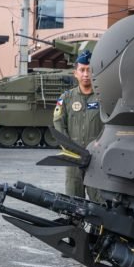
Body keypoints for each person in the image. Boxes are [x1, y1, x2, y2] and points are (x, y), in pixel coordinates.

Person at [53, 50, 104, 201]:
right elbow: (58, 123)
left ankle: (99, 226)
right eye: (82, 70)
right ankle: (75, 226)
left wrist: (100, 146)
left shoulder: (103, 97)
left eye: (89, 70)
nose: (86, 74)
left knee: (99, 202)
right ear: (75, 73)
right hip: (73, 157)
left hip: (96, 158)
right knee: (73, 202)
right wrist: (68, 147)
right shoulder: (66, 98)